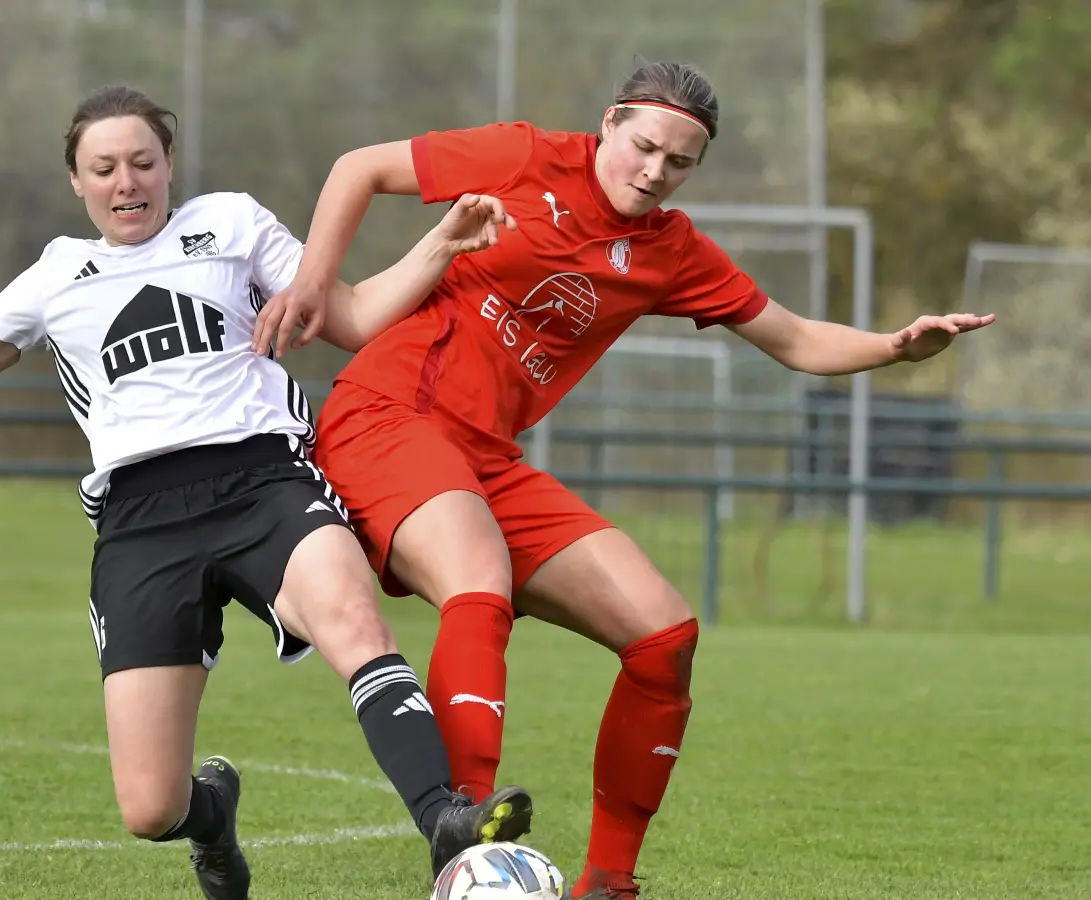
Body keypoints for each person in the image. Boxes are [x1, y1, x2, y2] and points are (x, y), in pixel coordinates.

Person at [0, 84, 535, 900]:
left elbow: (351, 314)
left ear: (169, 165)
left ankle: (445, 821)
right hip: (141, 525)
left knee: (354, 618)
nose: (126, 182)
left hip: (263, 480)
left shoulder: (232, 224)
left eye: (142, 161)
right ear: (76, 180)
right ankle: (211, 817)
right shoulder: (54, 278)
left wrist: (440, 243)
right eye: (103, 168)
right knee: (149, 807)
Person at [253, 61, 995, 899]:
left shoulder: (670, 251)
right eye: (643, 147)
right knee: (478, 577)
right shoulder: (523, 155)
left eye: (679, 163)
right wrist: (315, 279)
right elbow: (361, 167)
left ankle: (608, 883)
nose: (654, 172)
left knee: (663, 634)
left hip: (488, 458)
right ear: (609, 124)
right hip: (391, 415)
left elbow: (793, 340)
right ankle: (459, 835)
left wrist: (897, 347)